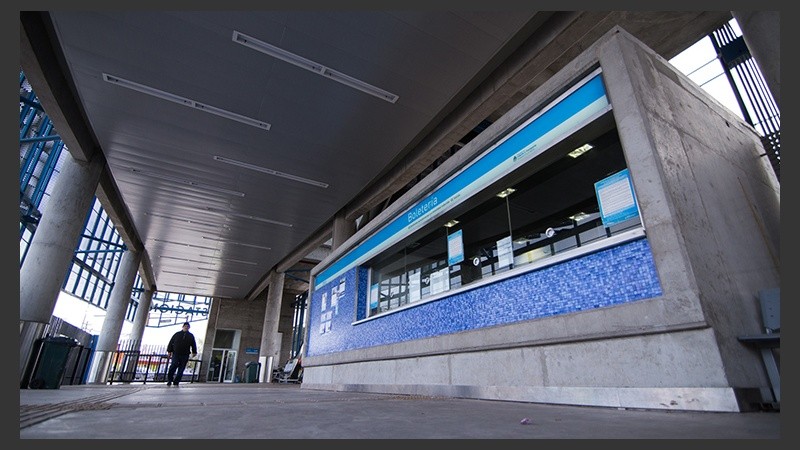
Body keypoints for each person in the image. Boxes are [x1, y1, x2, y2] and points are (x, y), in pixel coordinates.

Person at [166, 322, 197, 386]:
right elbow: (171, 342)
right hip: (176, 353)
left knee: (181, 368)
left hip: (185, 354)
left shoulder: (191, 336)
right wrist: (169, 351)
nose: (186, 327)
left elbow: (193, 344)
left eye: (187, 327)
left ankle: (176, 381)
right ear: (182, 327)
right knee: (173, 365)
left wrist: (194, 352)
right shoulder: (177, 334)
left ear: (189, 328)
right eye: (185, 326)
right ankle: (169, 379)